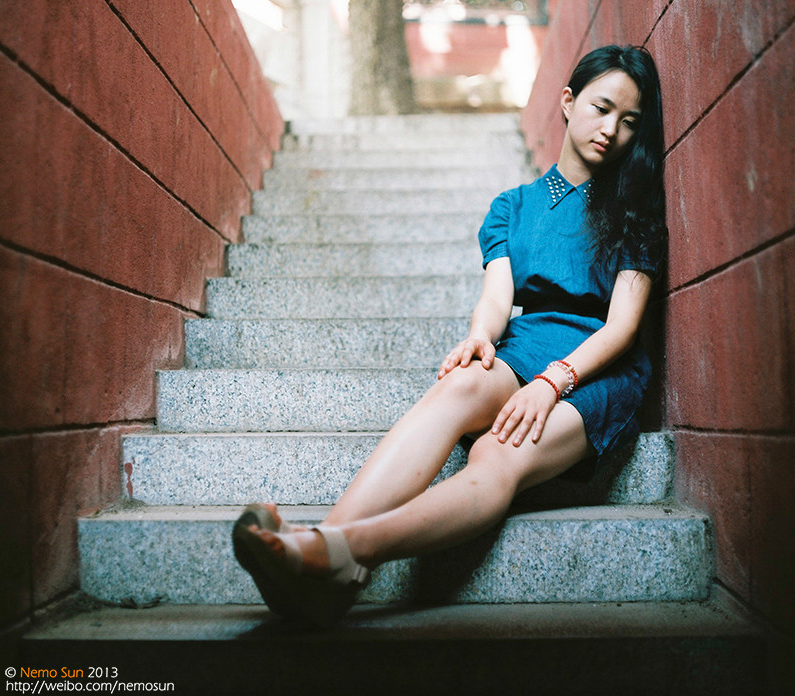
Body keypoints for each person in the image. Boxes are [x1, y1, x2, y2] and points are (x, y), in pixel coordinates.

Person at [232, 44, 667, 628]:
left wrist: (552, 383)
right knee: (460, 384)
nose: (611, 130)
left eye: (629, 121)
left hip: (596, 368)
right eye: (601, 108)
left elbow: (622, 327)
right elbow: (497, 296)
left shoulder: (634, 207)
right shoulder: (512, 208)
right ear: (568, 102)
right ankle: (327, 554)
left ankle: (336, 553)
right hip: (526, 344)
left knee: (497, 454)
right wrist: (480, 337)